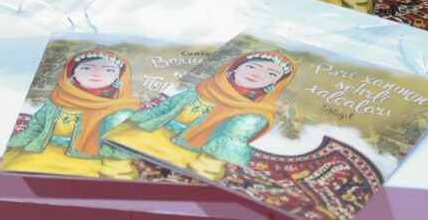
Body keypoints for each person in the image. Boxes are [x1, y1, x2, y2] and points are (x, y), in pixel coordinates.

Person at [115, 51, 296, 180]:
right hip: (149, 133)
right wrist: (133, 122)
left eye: (271, 73)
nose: (257, 74)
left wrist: (205, 170)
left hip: (187, 153)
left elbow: (224, 148)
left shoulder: (253, 115)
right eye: (251, 66)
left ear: (275, 83)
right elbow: (164, 109)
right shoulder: (202, 88)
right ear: (233, 68)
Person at [0, 49, 141, 179]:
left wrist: (115, 173)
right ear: (72, 73)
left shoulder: (118, 112)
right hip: (38, 154)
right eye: (86, 68)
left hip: (87, 163)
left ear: (119, 77)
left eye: (109, 70)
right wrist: (11, 150)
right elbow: (35, 129)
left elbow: (118, 149)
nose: (97, 74)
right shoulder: (55, 102)